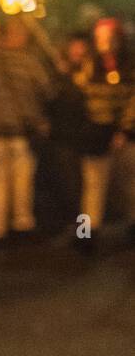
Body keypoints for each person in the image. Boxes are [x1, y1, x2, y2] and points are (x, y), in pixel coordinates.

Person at [0, 16, 54, 243]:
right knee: (22, 180)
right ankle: (21, 225)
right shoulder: (28, 61)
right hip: (22, 130)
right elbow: (47, 90)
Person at [66, 18, 135, 248]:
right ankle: (87, 233)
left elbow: (133, 100)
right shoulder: (90, 64)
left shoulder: (130, 65)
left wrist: (125, 129)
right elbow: (80, 91)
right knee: (93, 187)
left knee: (131, 185)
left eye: (108, 36)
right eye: (99, 36)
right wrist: (71, 72)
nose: (103, 41)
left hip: (125, 135)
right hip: (96, 135)